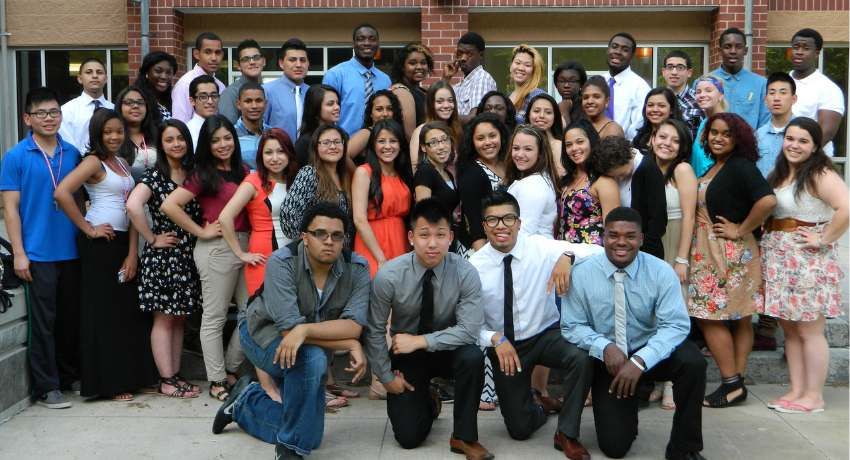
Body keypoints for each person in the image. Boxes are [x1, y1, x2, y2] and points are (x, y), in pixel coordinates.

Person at [213, 203, 370, 459]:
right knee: (313, 359)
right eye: (320, 233)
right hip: (260, 335)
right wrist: (348, 343)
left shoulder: (357, 268)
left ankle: (245, 402)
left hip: (305, 342)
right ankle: (288, 450)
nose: (329, 241)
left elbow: (353, 325)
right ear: (304, 237)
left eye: (337, 235)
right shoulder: (283, 262)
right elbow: (288, 331)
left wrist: (307, 330)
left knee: (312, 436)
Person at [562, 206, 706, 460]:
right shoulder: (583, 273)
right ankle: (629, 405)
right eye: (613, 235)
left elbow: (676, 325)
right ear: (602, 237)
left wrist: (641, 361)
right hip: (610, 360)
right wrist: (604, 347)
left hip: (650, 351)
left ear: (640, 239)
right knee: (615, 448)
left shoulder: (660, 271)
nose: (621, 242)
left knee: (692, 361)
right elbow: (572, 326)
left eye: (630, 236)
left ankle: (685, 448)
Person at [468, 190, 602, 459]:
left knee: (583, 355)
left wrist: (569, 257)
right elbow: (469, 324)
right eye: (492, 220)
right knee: (519, 429)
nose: (501, 226)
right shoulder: (474, 266)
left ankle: (566, 432)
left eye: (508, 218)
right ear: (484, 226)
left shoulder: (539, 246)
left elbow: (598, 251)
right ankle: (539, 406)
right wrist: (495, 339)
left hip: (546, 334)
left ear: (519, 223)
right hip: (505, 346)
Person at [367, 198, 492, 458]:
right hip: (408, 354)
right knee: (409, 438)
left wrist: (421, 341)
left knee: (473, 356)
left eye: (440, 235)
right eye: (424, 235)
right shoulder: (389, 275)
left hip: (448, 348)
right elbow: (375, 330)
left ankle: (464, 436)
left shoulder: (465, 272)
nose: (432, 243)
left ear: (450, 237)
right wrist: (386, 377)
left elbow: (469, 330)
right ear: (411, 237)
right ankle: (429, 400)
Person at [54, 108, 156, 401]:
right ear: (97, 134)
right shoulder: (93, 161)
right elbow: (62, 192)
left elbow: (131, 208)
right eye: (107, 132)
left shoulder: (123, 162)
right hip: (101, 245)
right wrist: (87, 228)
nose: (114, 136)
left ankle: (132, 376)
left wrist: (133, 252)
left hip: (124, 242)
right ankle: (109, 383)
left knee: (128, 313)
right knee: (105, 316)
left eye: (118, 131)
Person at [687, 112, 777, 409]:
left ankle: (731, 382)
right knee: (738, 319)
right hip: (713, 249)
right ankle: (736, 383)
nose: (718, 138)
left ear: (738, 138)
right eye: (714, 132)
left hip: (729, 252)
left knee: (708, 314)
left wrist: (741, 228)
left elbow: (767, 200)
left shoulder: (741, 166)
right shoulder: (718, 166)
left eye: (726, 133)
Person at [0, 87, 82, 409]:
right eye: (41, 113)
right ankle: (46, 387)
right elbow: (10, 209)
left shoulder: (73, 153)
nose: (49, 119)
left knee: (69, 320)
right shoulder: (16, 156)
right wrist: (19, 253)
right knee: (43, 325)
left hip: (72, 250)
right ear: (27, 118)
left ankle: (67, 376)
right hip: (37, 253)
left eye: (54, 112)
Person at [762, 117, 848, 414]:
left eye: (803, 141)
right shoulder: (782, 174)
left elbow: (846, 206)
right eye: (790, 138)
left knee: (810, 331)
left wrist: (823, 238)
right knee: (791, 330)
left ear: (814, 147)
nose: (794, 145)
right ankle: (797, 390)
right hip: (780, 259)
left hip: (807, 261)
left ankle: (814, 396)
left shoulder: (820, 173)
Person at [161, 115, 249, 402]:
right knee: (215, 316)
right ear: (207, 145)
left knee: (252, 313)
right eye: (215, 140)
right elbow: (170, 205)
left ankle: (231, 367)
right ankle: (217, 379)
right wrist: (201, 230)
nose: (223, 144)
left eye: (227, 138)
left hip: (246, 246)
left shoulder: (244, 170)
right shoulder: (203, 174)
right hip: (217, 249)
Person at [125, 119, 202, 399]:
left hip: (188, 254)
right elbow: (133, 206)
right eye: (169, 140)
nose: (176, 144)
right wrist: (152, 238)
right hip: (165, 256)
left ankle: (176, 374)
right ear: (161, 145)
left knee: (179, 318)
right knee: (165, 319)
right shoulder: (154, 176)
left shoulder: (194, 174)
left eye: (180, 138)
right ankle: (167, 379)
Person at [648, 119, 697, 410]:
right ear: (652, 139)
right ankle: (657, 379)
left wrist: (681, 259)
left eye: (674, 140)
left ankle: (672, 385)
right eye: (662, 136)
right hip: (654, 246)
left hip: (675, 242)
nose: (666, 143)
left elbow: (689, 216)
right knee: (653, 316)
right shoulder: (650, 170)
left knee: (674, 316)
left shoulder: (682, 170)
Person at [220, 128, 297, 296]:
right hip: (264, 256)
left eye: (280, 151)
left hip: (296, 256)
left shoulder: (296, 180)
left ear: (289, 154)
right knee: (264, 312)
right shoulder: (253, 182)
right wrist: (241, 254)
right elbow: (225, 217)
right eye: (268, 152)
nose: (275, 158)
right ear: (261, 156)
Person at [352, 119, 412, 277]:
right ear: (373, 145)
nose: (387, 146)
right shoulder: (364, 172)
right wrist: (381, 258)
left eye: (393, 141)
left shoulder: (402, 174)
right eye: (381, 141)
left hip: (399, 241)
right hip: (373, 244)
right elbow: (359, 219)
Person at [596, 135, 667, 259]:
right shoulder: (611, 168)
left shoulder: (648, 169)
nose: (620, 179)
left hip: (645, 250)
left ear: (629, 157)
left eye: (622, 174)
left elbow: (658, 218)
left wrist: (643, 250)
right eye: (615, 177)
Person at [280, 125, 353, 243]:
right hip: (315, 254)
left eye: (337, 142)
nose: (333, 146)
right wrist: (310, 242)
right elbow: (288, 215)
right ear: (316, 147)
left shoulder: (345, 176)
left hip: (340, 253)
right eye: (326, 142)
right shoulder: (309, 173)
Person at [558, 119, 620, 246]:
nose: (574, 148)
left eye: (580, 142)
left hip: (592, 256)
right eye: (569, 145)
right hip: (564, 254)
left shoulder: (604, 180)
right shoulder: (567, 179)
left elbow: (613, 228)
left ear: (591, 142)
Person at [324, 24, 391, 136]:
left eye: (372, 39)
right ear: (353, 44)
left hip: (378, 146)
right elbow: (325, 116)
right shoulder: (335, 75)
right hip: (344, 145)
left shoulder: (385, 80)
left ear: (378, 44)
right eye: (361, 39)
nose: (367, 43)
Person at [788, 28, 845, 157]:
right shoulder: (780, 84)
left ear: (816, 53)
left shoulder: (828, 89)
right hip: (779, 161)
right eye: (796, 47)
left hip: (813, 163)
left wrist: (797, 157)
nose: (799, 52)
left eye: (806, 48)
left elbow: (826, 132)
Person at [458, 113, 509, 253]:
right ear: (472, 142)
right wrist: (483, 259)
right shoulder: (471, 173)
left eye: (492, 136)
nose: (487, 142)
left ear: (501, 136)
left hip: (504, 244)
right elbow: (473, 221)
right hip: (480, 250)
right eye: (480, 138)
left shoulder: (509, 164)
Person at [505, 125, 559, 238]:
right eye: (516, 148)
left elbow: (524, 233)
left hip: (531, 253)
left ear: (540, 154)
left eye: (528, 149)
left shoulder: (533, 185)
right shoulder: (536, 180)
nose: (519, 154)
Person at [710, 28, 769, 130]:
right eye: (727, 47)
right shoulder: (706, 82)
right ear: (719, 51)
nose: (733, 51)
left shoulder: (761, 84)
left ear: (745, 51)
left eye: (738, 47)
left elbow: (765, 122)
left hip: (749, 144)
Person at [413, 122, 461, 239]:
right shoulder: (425, 171)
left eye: (445, 140)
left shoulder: (447, 172)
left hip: (446, 234)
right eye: (433, 143)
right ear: (424, 147)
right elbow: (424, 212)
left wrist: (452, 216)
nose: (441, 147)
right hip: (433, 239)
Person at [58, 57, 114, 153]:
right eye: (89, 72)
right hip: (78, 164)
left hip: (111, 163)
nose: (95, 76)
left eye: (99, 72)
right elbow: (67, 145)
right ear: (80, 78)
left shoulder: (114, 109)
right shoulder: (66, 110)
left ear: (106, 79)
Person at [603, 32, 651, 140]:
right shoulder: (598, 82)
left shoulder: (640, 87)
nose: (618, 52)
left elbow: (638, 128)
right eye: (614, 47)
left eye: (625, 50)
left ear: (632, 56)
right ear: (608, 49)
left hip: (623, 150)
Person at [172, 32, 225, 123]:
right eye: (208, 52)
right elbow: (180, 124)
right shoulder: (185, 84)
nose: (214, 58)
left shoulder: (220, 85)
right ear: (196, 54)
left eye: (217, 52)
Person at [264, 38, 311, 141]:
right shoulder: (267, 91)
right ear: (281, 63)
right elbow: (260, 128)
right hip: (278, 154)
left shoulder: (313, 93)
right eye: (292, 60)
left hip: (309, 155)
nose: (298, 65)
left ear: (308, 64)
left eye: (302, 60)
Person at [443, 32, 498, 121]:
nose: (463, 58)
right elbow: (437, 101)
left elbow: (475, 118)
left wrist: (443, 118)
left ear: (481, 55)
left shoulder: (482, 79)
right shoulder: (460, 86)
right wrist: (446, 78)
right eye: (460, 53)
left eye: (469, 54)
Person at [410, 81, 462, 168]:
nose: (446, 105)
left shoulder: (457, 129)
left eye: (450, 100)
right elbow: (416, 171)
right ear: (431, 104)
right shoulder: (420, 131)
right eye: (439, 101)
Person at [756, 73, 797, 180]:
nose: (776, 98)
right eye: (772, 93)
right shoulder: (758, 135)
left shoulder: (803, 132)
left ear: (794, 99)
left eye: (783, 93)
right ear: (765, 100)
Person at [348, 90, 404, 164]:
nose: (385, 114)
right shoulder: (366, 133)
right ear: (371, 113)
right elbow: (345, 155)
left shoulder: (397, 132)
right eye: (379, 109)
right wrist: (358, 173)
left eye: (389, 109)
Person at [390, 42, 433, 138]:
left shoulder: (421, 90)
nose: (419, 67)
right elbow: (411, 135)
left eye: (423, 63)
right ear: (402, 67)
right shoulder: (402, 91)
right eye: (412, 63)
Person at [115, 85, 159, 177]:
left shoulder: (158, 135)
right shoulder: (113, 137)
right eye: (129, 102)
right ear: (119, 107)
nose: (135, 106)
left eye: (140, 103)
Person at [219, 39, 266, 124]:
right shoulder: (230, 94)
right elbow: (228, 130)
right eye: (245, 59)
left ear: (263, 61)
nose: (252, 62)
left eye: (256, 58)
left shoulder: (267, 90)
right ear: (238, 66)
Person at [689, 75, 728, 177]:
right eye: (698, 92)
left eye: (708, 90)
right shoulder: (704, 123)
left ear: (720, 95)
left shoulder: (726, 123)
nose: (702, 95)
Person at [294, 84, 340, 166]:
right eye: (330, 104)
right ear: (315, 107)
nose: (337, 107)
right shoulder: (304, 143)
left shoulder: (342, 136)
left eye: (337, 103)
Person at [661, 50, 702, 139]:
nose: (674, 72)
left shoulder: (699, 100)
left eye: (680, 67)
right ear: (663, 72)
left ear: (689, 72)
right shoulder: (656, 100)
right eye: (670, 67)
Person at [631, 88, 683, 153]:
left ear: (671, 110)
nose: (655, 109)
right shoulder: (640, 135)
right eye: (650, 105)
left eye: (661, 106)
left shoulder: (680, 136)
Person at [525, 93, 565, 176]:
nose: (541, 116)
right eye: (536, 111)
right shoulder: (520, 142)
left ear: (555, 117)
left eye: (548, 112)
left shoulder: (560, 146)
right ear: (528, 114)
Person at [507, 45, 546, 125]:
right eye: (517, 63)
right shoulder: (508, 97)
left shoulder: (538, 96)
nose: (521, 68)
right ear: (511, 66)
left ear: (534, 71)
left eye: (527, 65)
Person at [135, 51, 177, 120]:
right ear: (146, 72)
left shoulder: (172, 99)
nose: (164, 76)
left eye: (168, 72)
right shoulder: (137, 99)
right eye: (158, 71)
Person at [234, 82, 267, 170]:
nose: (254, 106)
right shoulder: (230, 136)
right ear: (239, 104)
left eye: (258, 101)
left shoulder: (273, 133)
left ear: (266, 104)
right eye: (248, 101)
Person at [186, 75, 221, 147]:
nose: (210, 101)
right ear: (192, 101)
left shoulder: (224, 127)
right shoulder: (187, 131)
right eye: (203, 97)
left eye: (214, 96)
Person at [553, 61, 587, 127]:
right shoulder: (553, 108)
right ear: (556, 84)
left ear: (581, 84)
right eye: (562, 81)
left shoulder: (587, 107)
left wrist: (564, 112)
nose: (566, 85)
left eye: (572, 81)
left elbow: (572, 135)